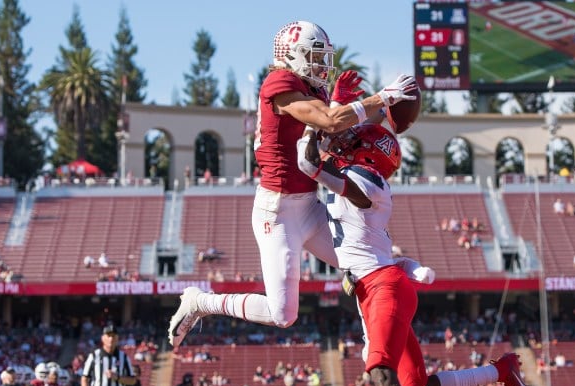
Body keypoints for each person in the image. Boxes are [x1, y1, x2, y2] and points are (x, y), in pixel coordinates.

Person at [296, 123, 532, 386]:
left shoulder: (368, 179)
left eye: (354, 143)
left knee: (382, 370)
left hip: (383, 289)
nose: (346, 145)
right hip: (375, 287)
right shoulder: (359, 176)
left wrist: (316, 123)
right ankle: (501, 370)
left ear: (369, 154)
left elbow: (309, 166)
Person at [168, 19, 422, 348]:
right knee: (282, 314)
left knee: (365, 263)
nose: (321, 65)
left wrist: (347, 105)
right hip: (277, 212)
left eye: (322, 57)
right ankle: (201, 302)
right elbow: (327, 120)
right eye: (314, 56)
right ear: (292, 55)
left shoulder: (312, 88)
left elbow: (330, 128)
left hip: (308, 204)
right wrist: (380, 99)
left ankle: (374, 342)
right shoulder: (280, 82)